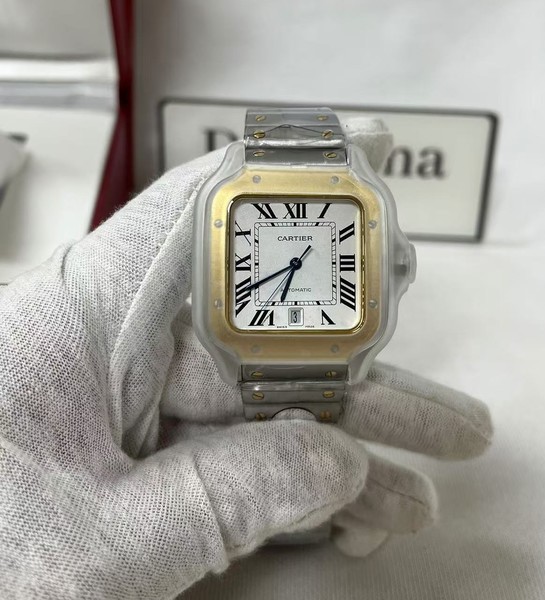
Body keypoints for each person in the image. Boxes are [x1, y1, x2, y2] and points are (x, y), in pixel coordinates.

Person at [0, 119, 492, 599]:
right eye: (291, 262)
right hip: (255, 353)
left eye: (299, 261)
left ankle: (305, 519)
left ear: (395, 264)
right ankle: (302, 520)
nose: (295, 263)